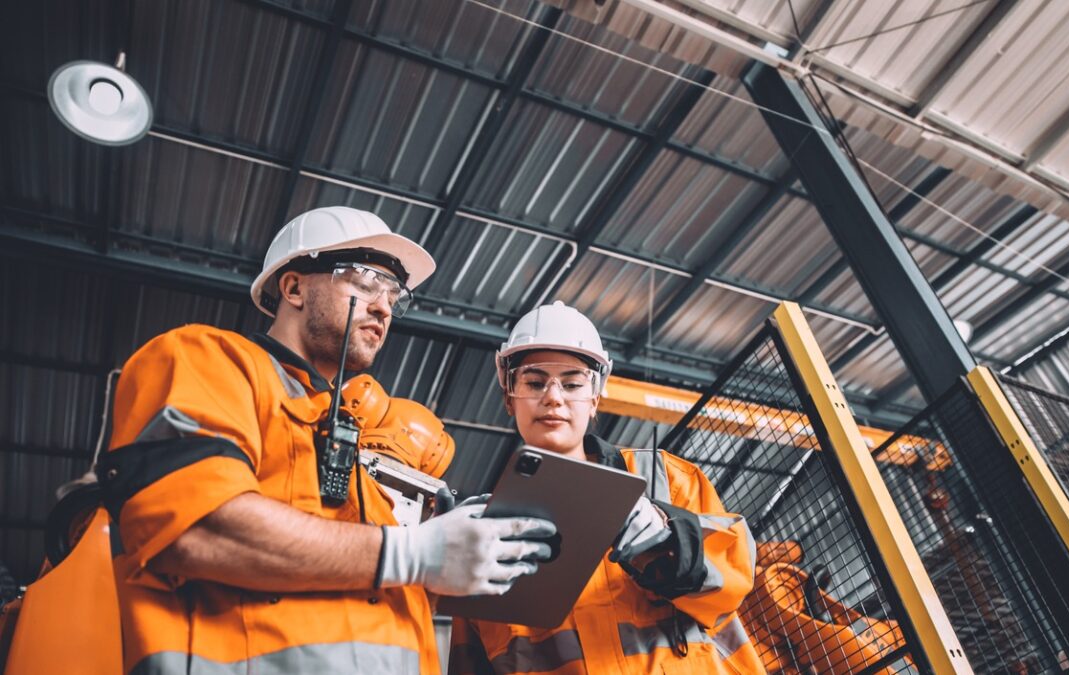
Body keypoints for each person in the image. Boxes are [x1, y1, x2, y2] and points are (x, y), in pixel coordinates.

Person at [98, 206, 555, 673]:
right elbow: (193, 527)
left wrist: (459, 549)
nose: (383, 307)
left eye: (394, 295)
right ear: (293, 287)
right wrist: (413, 552)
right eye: (364, 282)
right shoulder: (210, 362)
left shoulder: (363, 474)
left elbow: (367, 584)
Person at [449, 301, 765, 674]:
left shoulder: (663, 477)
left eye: (572, 383)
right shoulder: (484, 534)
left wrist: (669, 542)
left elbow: (734, 576)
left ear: (595, 398)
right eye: (535, 382)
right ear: (509, 396)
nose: (553, 397)